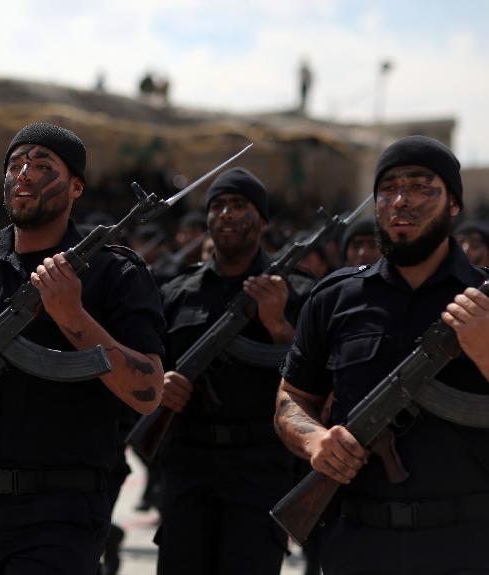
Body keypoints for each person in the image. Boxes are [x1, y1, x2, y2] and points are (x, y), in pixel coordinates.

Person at [0, 122, 166, 574]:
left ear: (75, 186)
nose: (24, 174)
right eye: (16, 164)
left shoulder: (114, 274)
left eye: (42, 165)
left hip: (64, 509)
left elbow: (149, 389)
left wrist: (73, 317)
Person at [276, 135, 489, 574]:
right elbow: (291, 399)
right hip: (358, 543)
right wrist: (316, 441)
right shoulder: (336, 298)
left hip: (469, 542)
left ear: (454, 203)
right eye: (388, 189)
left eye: (421, 187)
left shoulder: (483, 303)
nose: (400, 201)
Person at [155, 167, 312, 575]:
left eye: (239, 205)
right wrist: (161, 387)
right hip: (188, 464)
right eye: (217, 206)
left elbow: (316, 381)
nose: (225, 214)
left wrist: (278, 325)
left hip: (260, 466)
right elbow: (149, 363)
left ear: (261, 220)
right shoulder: (176, 292)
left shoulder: (298, 293)